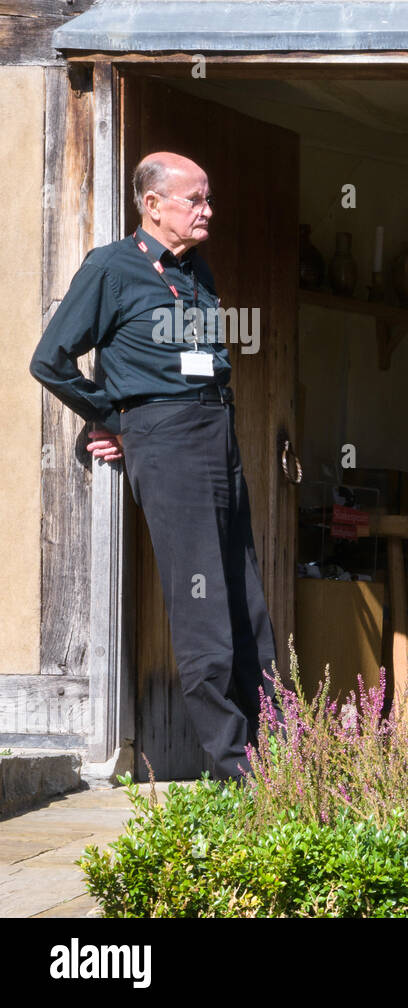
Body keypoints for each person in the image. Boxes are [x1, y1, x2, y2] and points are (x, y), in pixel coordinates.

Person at [30, 151, 281, 779]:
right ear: (152, 204)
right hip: (166, 439)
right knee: (202, 603)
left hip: (216, 428)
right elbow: (51, 360)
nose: (208, 211)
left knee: (245, 598)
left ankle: (278, 753)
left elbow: (200, 357)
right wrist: (112, 417)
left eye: (208, 198)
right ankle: (233, 769)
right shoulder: (111, 268)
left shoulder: (199, 272)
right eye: (195, 199)